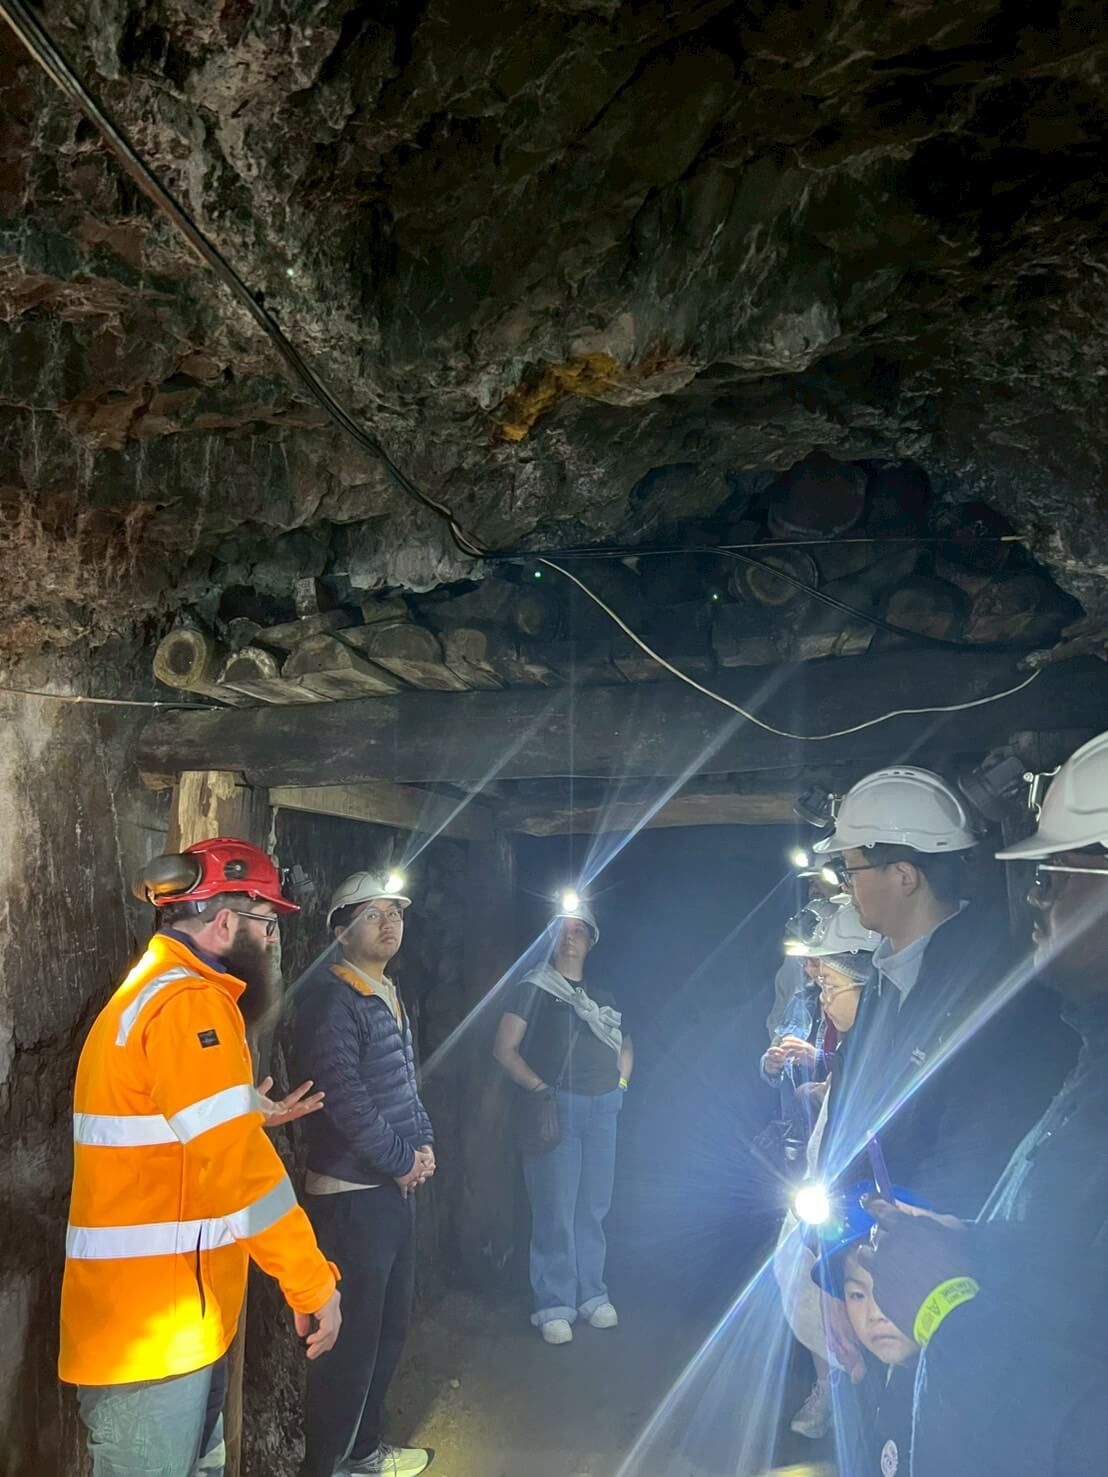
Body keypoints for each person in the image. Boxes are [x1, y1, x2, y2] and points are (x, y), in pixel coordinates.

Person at [861, 729, 1108, 1476]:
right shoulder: (1093, 1056)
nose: (1036, 897)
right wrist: (977, 1243)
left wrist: (944, 1306)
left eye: (1058, 873)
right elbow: (1075, 1274)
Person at [60, 838, 342, 1477]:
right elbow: (238, 1169)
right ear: (225, 923)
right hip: (152, 1336)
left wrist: (243, 1108)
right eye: (266, 923)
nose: (272, 941)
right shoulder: (190, 1004)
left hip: (167, 1325)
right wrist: (312, 1282)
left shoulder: (155, 993)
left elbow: (168, 1118)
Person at [813, 765, 1072, 1216]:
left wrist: (904, 1234)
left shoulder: (990, 986)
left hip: (932, 1253)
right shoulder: (883, 984)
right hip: (880, 1240)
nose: (847, 884)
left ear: (904, 877)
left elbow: (979, 1143)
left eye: (850, 869)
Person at [291, 869, 435, 1477]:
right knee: (348, 1348)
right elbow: (344, 1099)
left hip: (387, 1194)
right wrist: (404, 1160)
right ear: (340, 929)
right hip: (351, 1198)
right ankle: (327, 1466)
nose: (389, 922)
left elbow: (404, 1082)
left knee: (387, 1333)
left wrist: (423, 1143)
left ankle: (364, 1453)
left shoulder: (383, 991)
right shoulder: (331, 999)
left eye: (394, 912)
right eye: (372, 913)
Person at [493, 893, 633, 1345]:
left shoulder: (603, 995)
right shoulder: (534, 988)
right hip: (561, 1108)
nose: (569, 937)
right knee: (555, 1206)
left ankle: (592, 1294)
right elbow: (504, 1049)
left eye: (578, 930)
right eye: (562, 930)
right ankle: (553, 1301)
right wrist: (540, 1088)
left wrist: (621, 1086)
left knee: (593, 1205)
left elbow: (625, 1045)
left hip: (603, 1107)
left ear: (590, 941)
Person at [772, 903, 879, 1440]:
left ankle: (854, 1409)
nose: (824, 996)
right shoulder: (856, 1047)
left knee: (851, 1305)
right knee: (809, 1286)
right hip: (828, 1201)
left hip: (858, 1218)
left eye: (833, 985)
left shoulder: (880, 1051)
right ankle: (834, 1395)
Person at [810, 1186, 926, 1477]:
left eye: (893, 1286)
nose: (875, 1314)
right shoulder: (874, 1377)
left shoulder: (954, 1396)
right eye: (857, 1295)